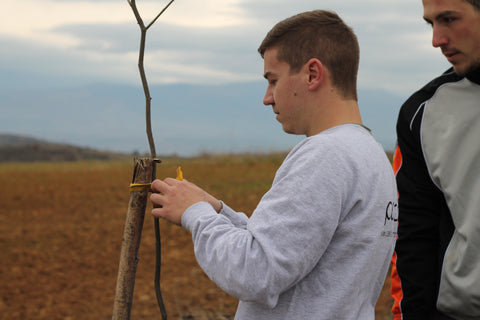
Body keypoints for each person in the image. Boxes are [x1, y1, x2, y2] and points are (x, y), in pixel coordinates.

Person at [151, 10, 398, 320]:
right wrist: (217, 211)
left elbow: (254, 272)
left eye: (273, 80)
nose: (267, 98)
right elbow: (293, 248)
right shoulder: (371, 154)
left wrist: (195, 215)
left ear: (312, 74)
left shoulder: (325, 155)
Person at [390, 0, 480, 319]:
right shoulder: (423, 112)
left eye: (449, 19)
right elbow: (414, 235)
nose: (437, 39)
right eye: (431, 24)